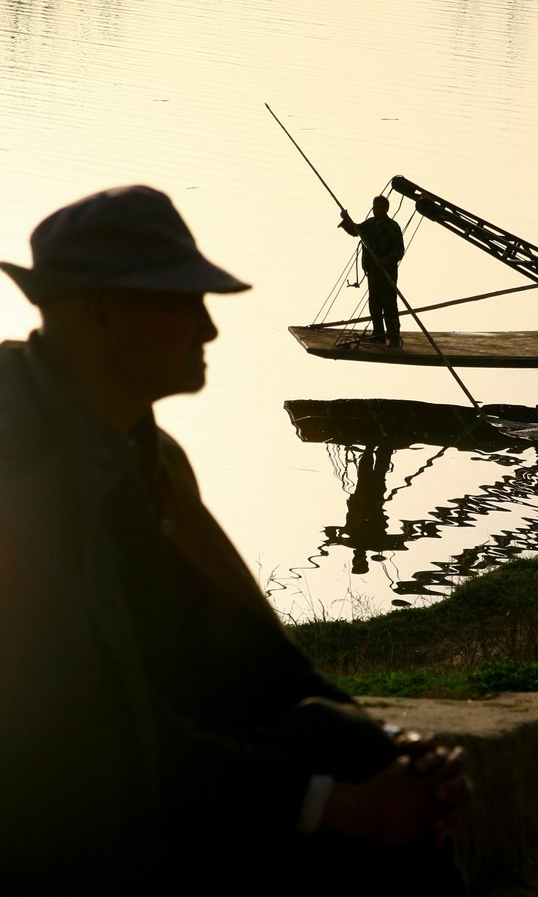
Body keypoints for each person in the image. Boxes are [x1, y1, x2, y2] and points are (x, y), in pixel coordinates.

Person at [0, 185, 469, 893]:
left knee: (342, 742)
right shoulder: (22, 474)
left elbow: (249, 657)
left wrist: (395, 751)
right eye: (183, 303)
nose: (209, 330)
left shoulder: (143, 456)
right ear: (103, 314)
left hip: (146, 779)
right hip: (60, 821)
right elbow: (90, 733)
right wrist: (340, 807)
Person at [339, 195, 405, 347]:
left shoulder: (392, 227)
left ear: (386, 209)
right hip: (373, 272)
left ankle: (394, 336)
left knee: (388, 303)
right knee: (374, 303)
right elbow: (356, 231)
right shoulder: (370, 223)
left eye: (379, 208)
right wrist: (346, 220)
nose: (376, 210)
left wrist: (386, 260)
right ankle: (378, 334)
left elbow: (399, 251)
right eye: (374, 207)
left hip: (386, 272)